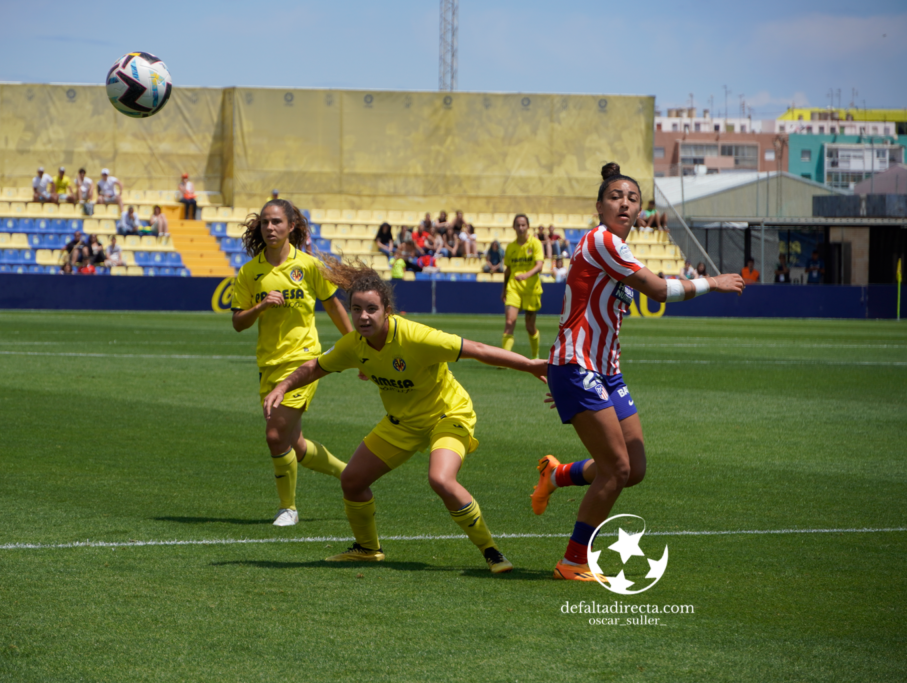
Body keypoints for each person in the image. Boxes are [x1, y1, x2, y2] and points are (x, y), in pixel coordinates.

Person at [531, 162, 744, 581]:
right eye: (615, 197)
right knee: (617, 470)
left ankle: (557, 474)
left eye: (632, 199)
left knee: (635, 468)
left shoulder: (618, 250)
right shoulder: (602, 241)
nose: (624, 203)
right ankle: (573, 561)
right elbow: (661, 291)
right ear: (599, 206)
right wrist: (712, 283)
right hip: (580, 367)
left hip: (602, 371)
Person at [263, 261, 548, 572]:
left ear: (387, 310)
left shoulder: (416, 337)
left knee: (440, 478)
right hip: (403, 423)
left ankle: (492, 552)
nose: (363, 316)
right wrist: (284, 385)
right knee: (352, 481)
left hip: (448, 415)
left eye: (371, 308)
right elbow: (315, 366)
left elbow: (477, 349)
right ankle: (367, 549)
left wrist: (530, 365)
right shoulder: (354, 345)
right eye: (356, 309)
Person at [231, 199, 355, 527]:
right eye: (265, 223)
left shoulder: (310, 266)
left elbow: (334, 308)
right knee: (294, 445)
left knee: (275, 435)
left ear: (291, 227)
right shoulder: (250, 272)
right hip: (269, 363)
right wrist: (259, 308)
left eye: (276, 222)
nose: (270, 228)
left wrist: (359, 346)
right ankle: (352, 475)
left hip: (304, 361)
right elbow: (238, 322)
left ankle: (288, 509)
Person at [502, 214, 545, 359]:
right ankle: (505, 359)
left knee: (530, 327)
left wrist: (526, 276)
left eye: (523, 225)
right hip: (513, 288)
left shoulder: (535, 244)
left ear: (527, 227)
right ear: (514, 227)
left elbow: (539, 266)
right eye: (518, 225)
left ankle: (535, 356)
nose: (520, 228)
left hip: (531, 290)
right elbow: (508, 270)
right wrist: (504, 290)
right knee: (509, 322)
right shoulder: (510, 247)